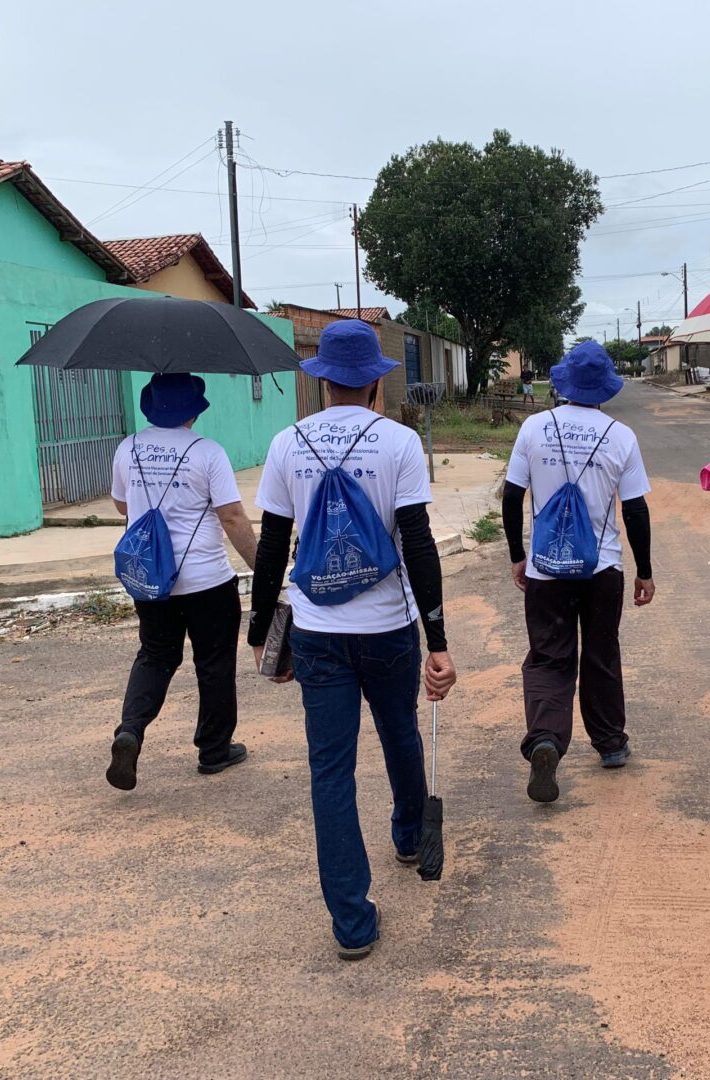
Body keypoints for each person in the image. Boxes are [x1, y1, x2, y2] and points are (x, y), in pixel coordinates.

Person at [249, 320, 457, 960]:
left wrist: (261, 630)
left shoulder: (287, 443)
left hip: (316, 631)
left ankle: (351, 923)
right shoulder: (397, 443)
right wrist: (438, 638)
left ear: (321, 380)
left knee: (330, 770)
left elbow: (272, 545)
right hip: (388, 626)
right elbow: (417, 542)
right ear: (374, 381)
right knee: (400, 733)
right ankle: (406, 831)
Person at [501, 340, 655, 804]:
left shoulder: (534, 428)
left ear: (564, 384)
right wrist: (644, 570)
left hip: (547, 569)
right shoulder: (620, 436)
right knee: (601, 653)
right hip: (601, 568)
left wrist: (517, 555)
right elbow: (636, 511)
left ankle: (546, 738)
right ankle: (610, 744)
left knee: (550, 656)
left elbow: (511, 497)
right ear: (605, 388)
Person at [106, 373, 257, 791]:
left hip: (152, 579)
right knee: (214, 662)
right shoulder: (207, 452)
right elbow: (231, 516)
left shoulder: (127, 446)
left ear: (150, 406)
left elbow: (122, 503)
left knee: (155, 655)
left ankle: (131, 731)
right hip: (207, 579)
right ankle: (214, 751)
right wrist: (262, 567)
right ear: (194, 410)